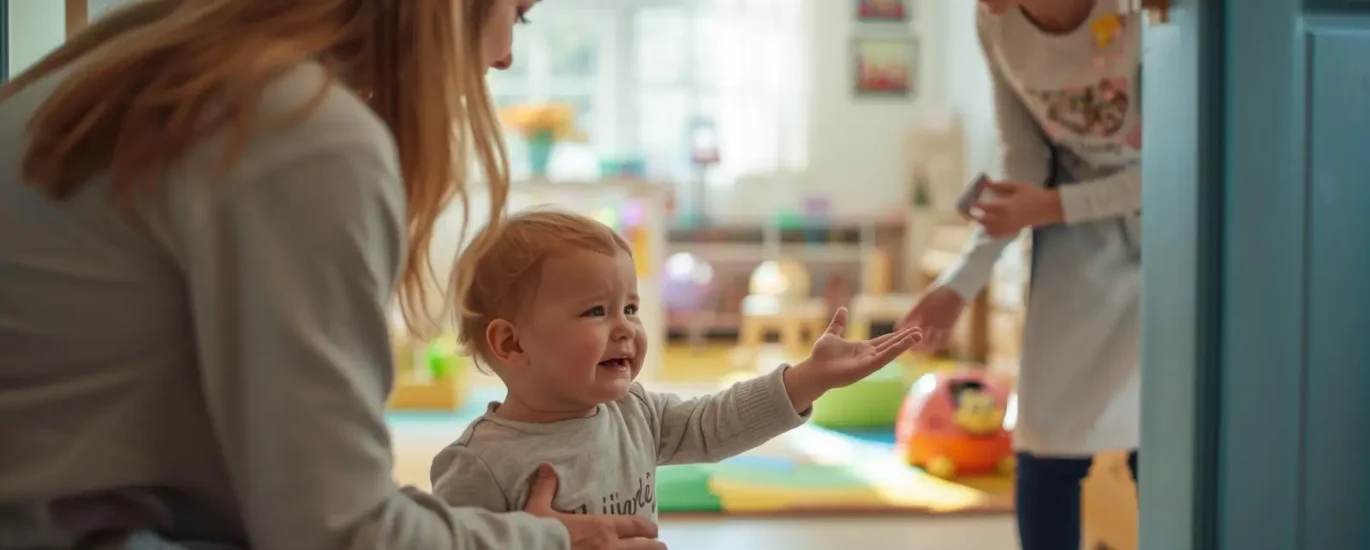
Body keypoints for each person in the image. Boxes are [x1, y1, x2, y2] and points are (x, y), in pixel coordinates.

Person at [0, 1, 662, 549]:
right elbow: (339, 534)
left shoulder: (138, 71)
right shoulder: (295, 129)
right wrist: (547, 541)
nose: (504, 57)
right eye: (515, 15)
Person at [428, 210, 920, 517]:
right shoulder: (477, 465)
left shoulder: (634, 412)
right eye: (596, 311)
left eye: (631, 308)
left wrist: (808, 379)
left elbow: (715, 423)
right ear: (512, 344)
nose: (624, 328)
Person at [901, 0, 1142, 548]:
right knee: (1044, 447)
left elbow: (1181, 165)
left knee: (1166, 447)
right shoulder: (996, 22)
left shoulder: (1139, 13)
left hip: (1176, 237)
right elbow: (1023, 165)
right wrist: (961, 283)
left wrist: (1053, 206)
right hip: (1080, 251)